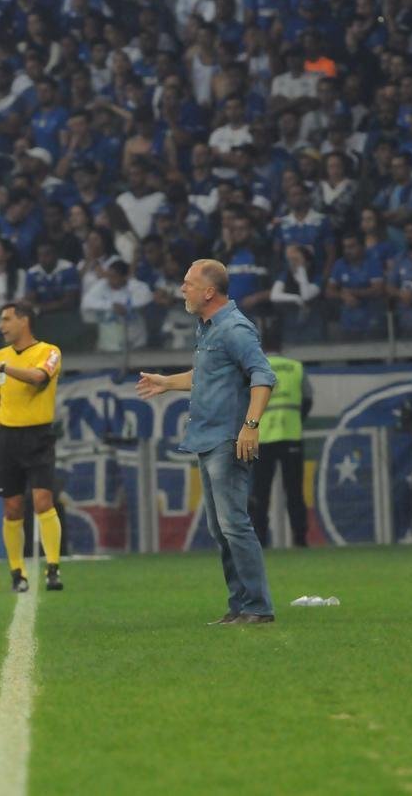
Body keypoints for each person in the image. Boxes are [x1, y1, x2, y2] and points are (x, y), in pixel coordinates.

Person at [136, 259, 277, 625]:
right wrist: (169, 382)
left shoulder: (234, 328)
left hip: (227, 438)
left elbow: (263, 375)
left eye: (188, 283)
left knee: (233, 524)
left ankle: (258, 607)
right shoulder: (208, 328)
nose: (182, 289)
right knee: (220, 527)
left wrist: (251, 425)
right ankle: (241, 605)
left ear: (209, 291)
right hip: (208, 436)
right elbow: (209, 374)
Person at [0, 300, 66, 592]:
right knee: (12, 508)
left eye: (7, 319)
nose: (2, 326)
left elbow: (38, 379)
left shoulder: (48, 352)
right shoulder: (1, 356)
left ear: (24, 321)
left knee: (43, 502)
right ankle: (17, 573)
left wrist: (1, 367)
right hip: (7, 439)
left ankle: (53, 569)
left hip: (38, 436)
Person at [249, 326, 312, 548]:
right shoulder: (296, 368)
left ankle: (260, 539)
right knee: (294, 491)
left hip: (263, 438)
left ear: (261, 346)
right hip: (291, 435)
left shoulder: (255, 369)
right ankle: (300, 539)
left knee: (260, 492)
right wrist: (295, 420)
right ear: (282, 345)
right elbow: (307, 400)